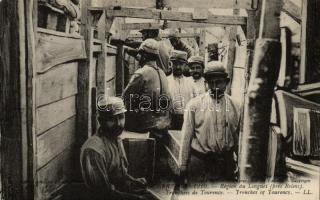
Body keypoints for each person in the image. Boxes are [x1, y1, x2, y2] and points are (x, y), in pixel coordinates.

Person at [80, 97, 154, 200]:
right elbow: (103, 194)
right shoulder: (93, 150)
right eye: (111, 119)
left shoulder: (115, 138)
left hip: (119, 192)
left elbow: (118, 173)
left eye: (121, 117)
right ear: (100, 121)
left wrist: (133, 180)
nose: (118, 123)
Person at [179, 61, 240, 183]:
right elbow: (186, 137)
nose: (214, 87)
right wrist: (183, 166)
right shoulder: (194, 105)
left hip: (225, 165)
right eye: (210, 83)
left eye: (218, 82)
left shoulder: (236, 106)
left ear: (226, 82)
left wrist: (240, 163)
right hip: (200, 164)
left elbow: (238, 138)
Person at [167, 50, 194, 129]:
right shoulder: (166, 81)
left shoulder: (191, 83)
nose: (178, 67)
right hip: (170, 120)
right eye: (175, 64)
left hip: (187, 120)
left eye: (181, 64)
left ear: (185, 65)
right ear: (170, 64)